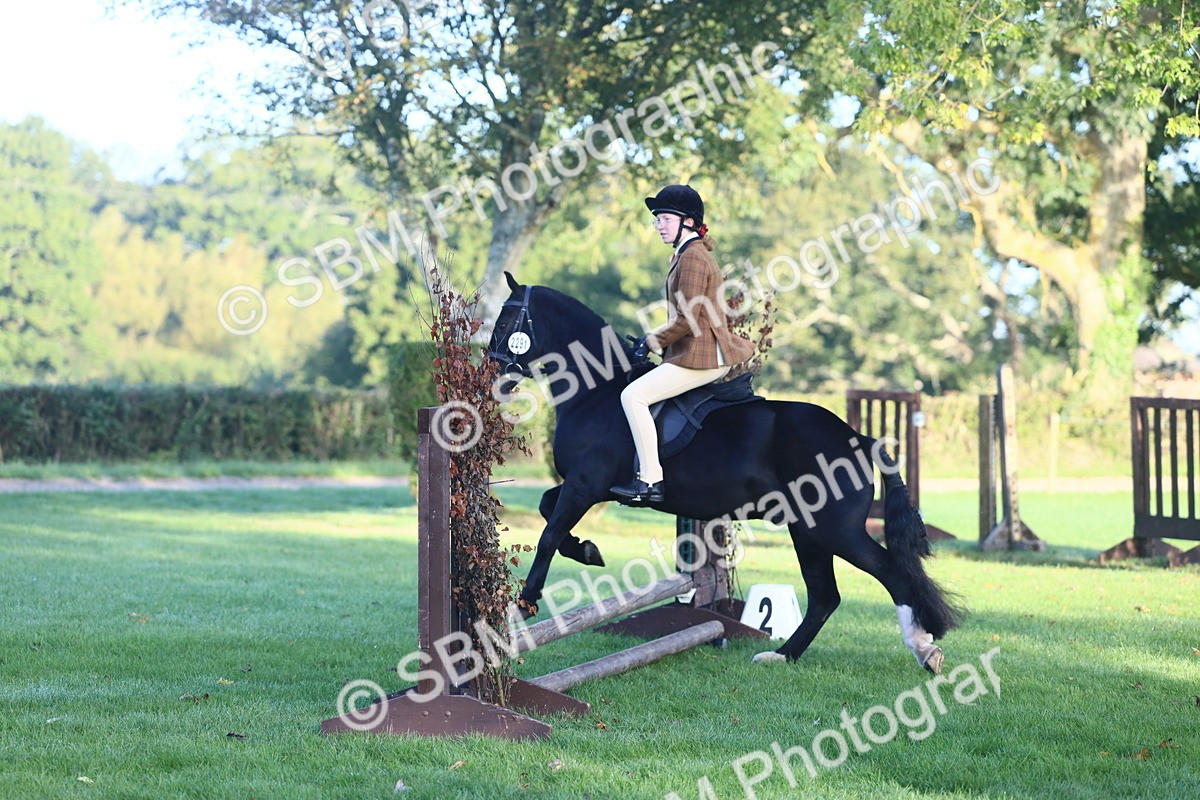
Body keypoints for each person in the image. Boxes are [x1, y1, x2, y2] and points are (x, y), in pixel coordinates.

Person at [610, 184, 755, 506]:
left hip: (704, 355)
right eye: (656, 220)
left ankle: (650, 481)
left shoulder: (692, 258)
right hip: (694, 350)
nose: (659, 225)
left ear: (687, 222)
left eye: (664, 219)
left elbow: (687, 319)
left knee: (633, 396)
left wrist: (653, 339)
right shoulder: (687, 253)